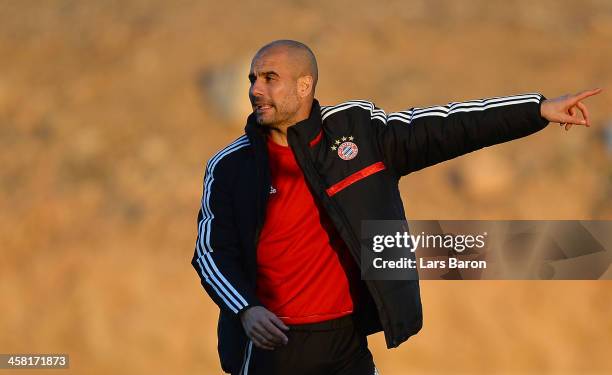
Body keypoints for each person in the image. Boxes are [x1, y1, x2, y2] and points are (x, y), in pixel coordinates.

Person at [191, 39, 601, 375]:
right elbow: (211, 254)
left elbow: (448, 126)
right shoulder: (230, 167)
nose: (254, 90)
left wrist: (537, 110)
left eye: (269, 78)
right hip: (271, 346)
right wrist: (245, 309)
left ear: (304, 86)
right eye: (252, 79)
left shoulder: (360, 134)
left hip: (345, 343)